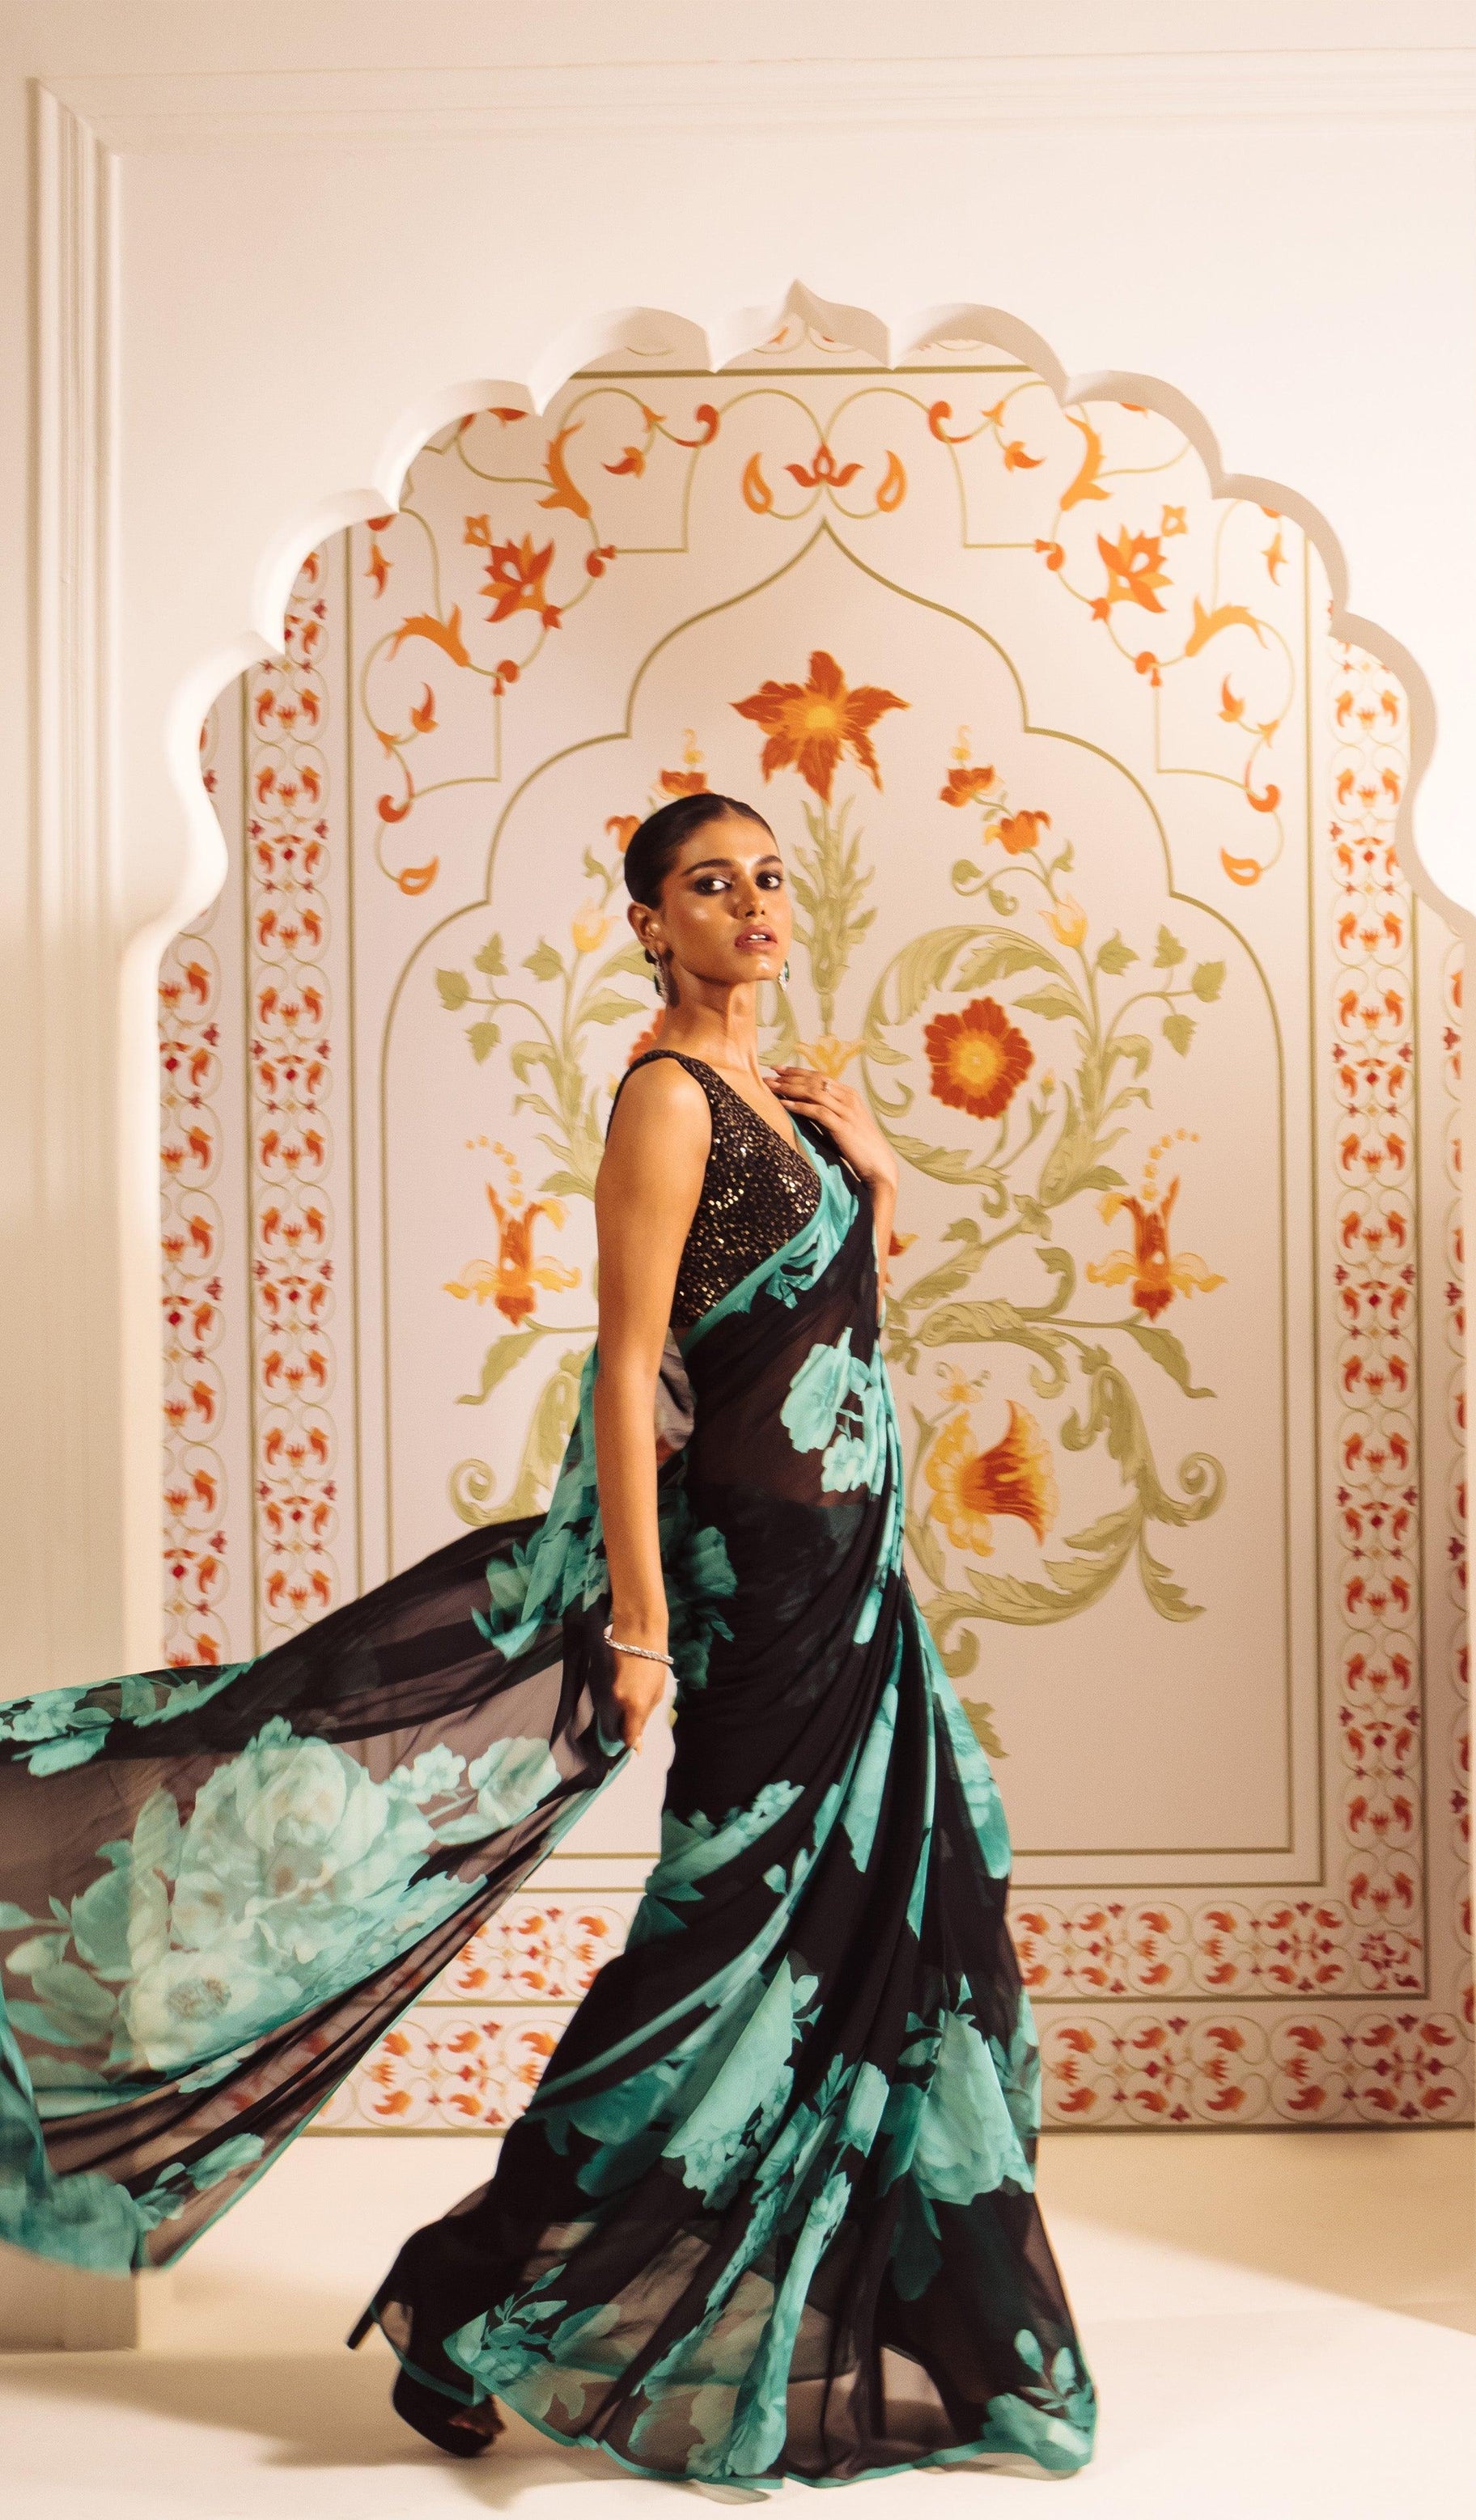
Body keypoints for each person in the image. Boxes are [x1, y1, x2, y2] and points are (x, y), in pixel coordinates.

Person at [0, 791, 1094, 2490]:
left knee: (919, 1904)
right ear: (651, 923)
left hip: (856, 1584)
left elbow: (829, 1313)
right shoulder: (668, 1098)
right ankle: (462, 2296)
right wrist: (643, 1623)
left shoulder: (787, 1100)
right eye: (709, 884)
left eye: (766, 879)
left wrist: (876, 1168)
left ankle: (874, 2299)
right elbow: (631, 1363)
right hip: (751, 1590)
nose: (751, 904)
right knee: (717, 1949)